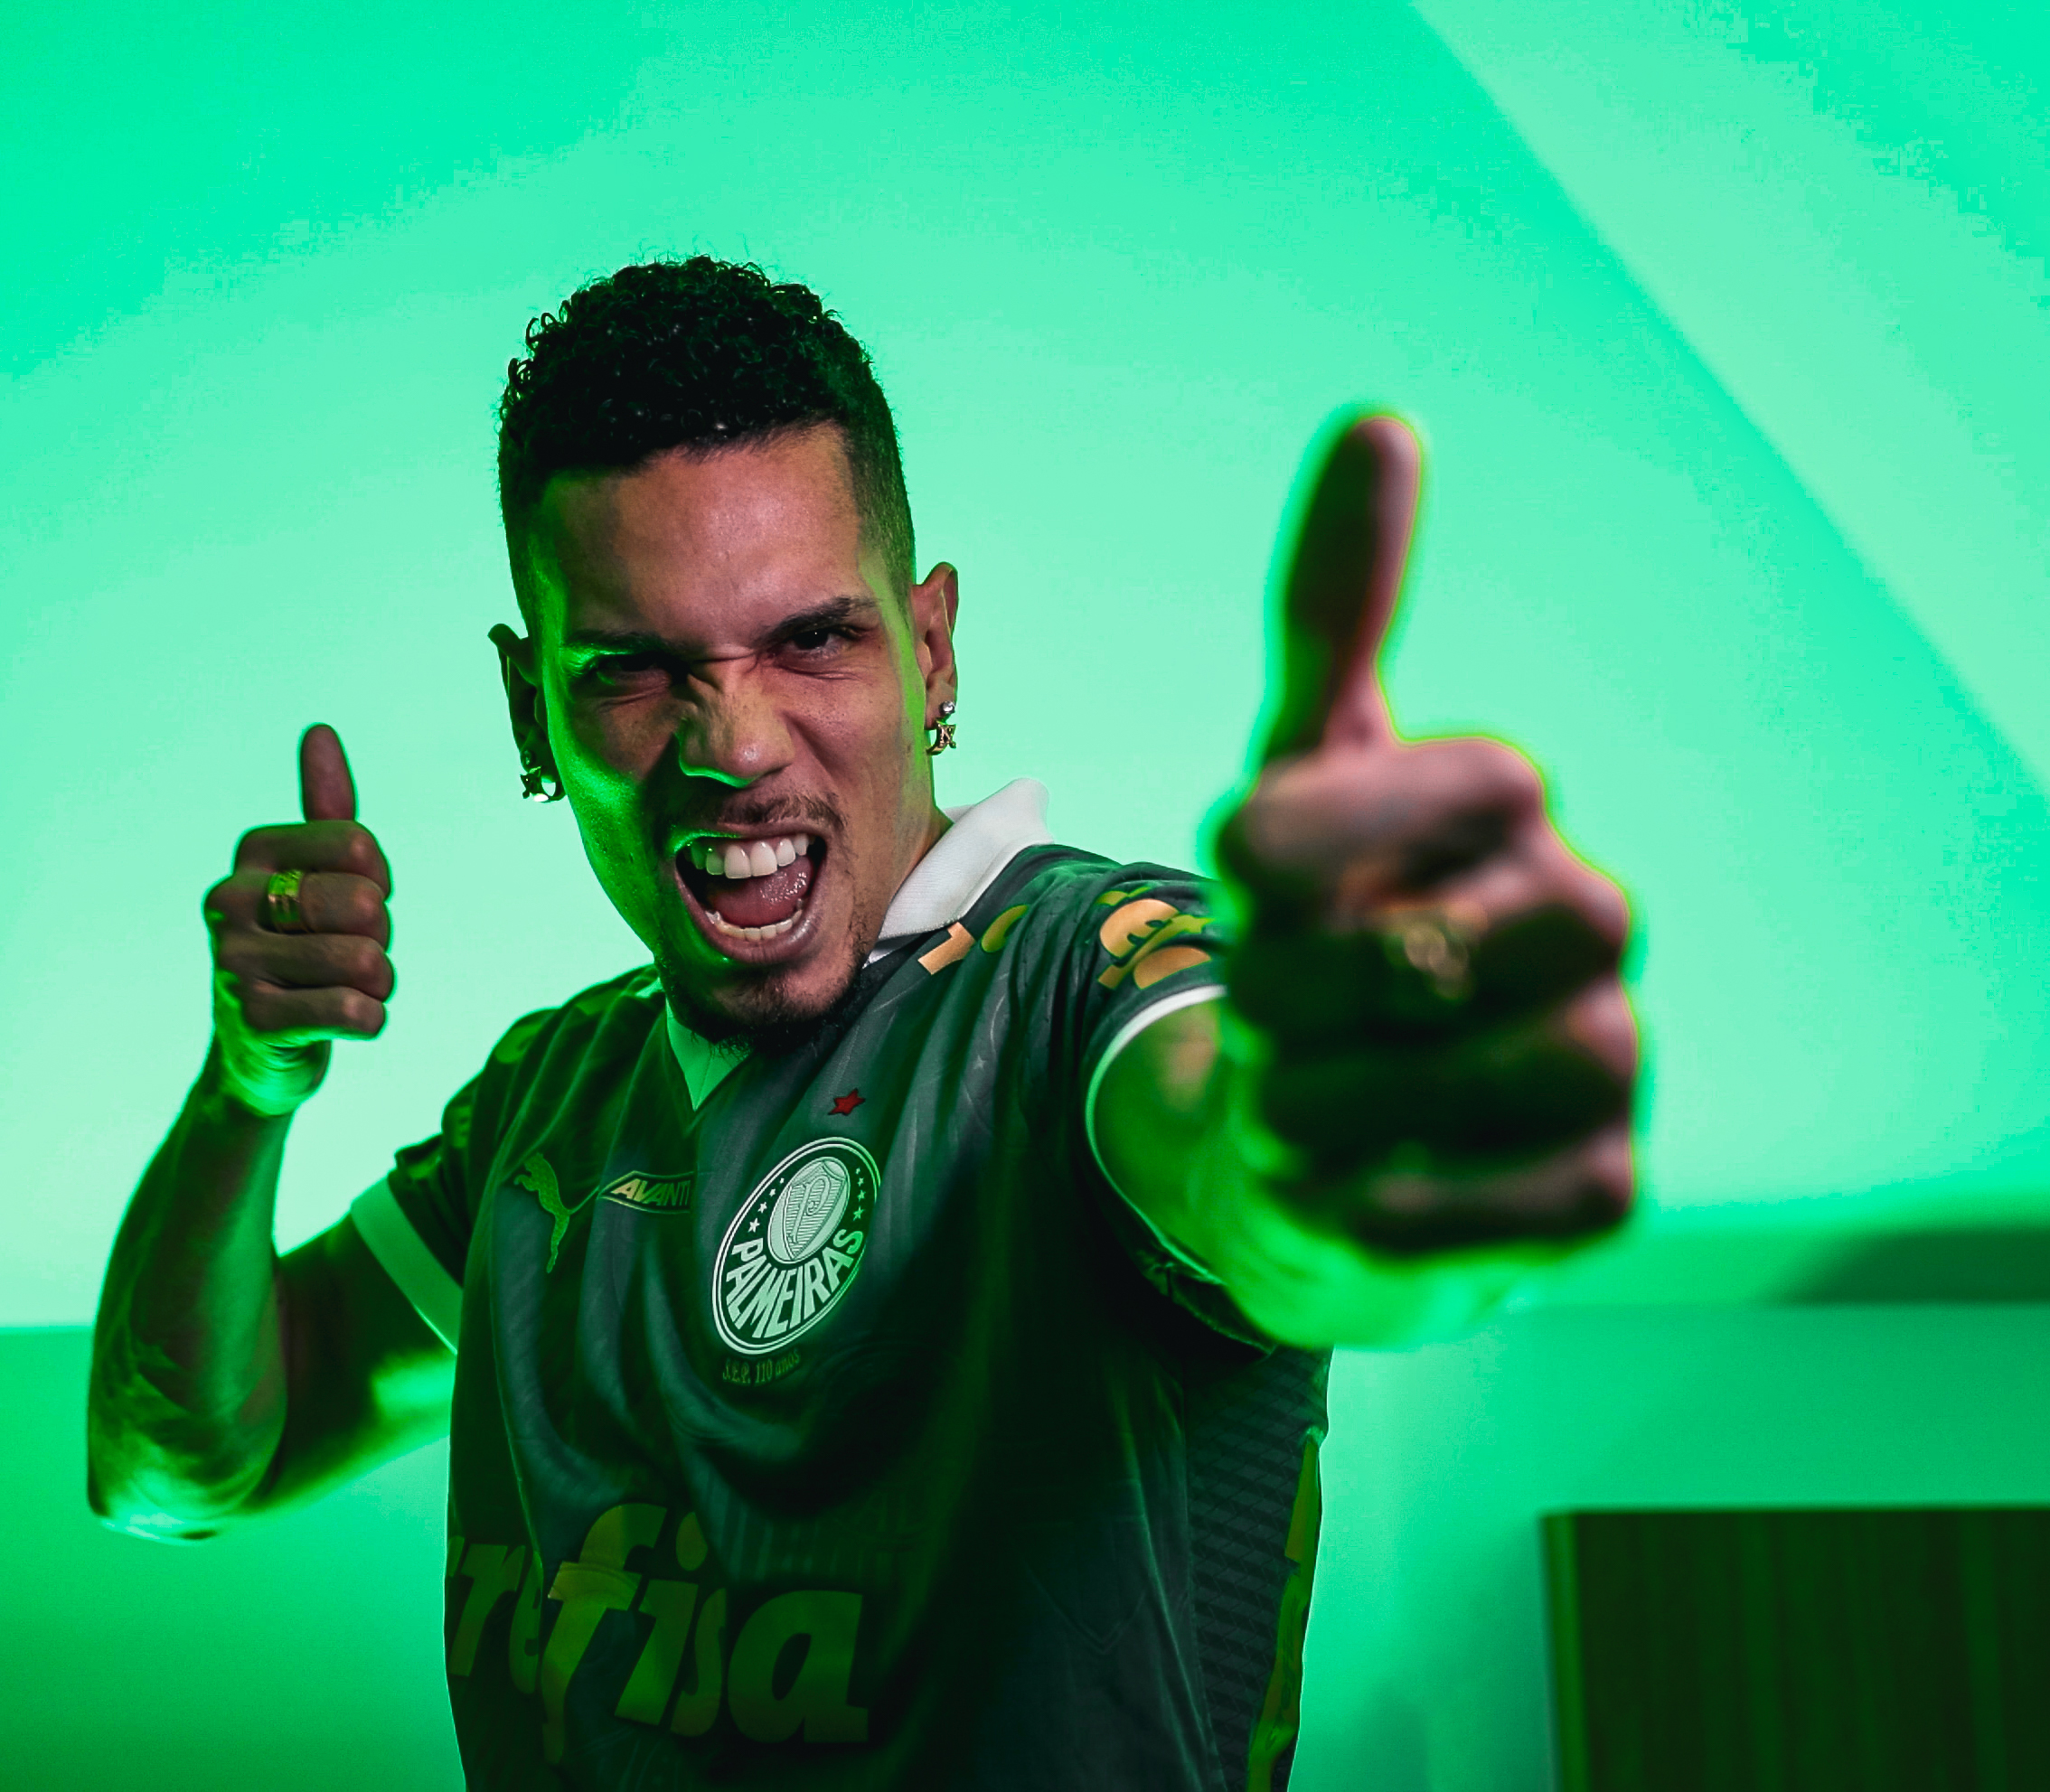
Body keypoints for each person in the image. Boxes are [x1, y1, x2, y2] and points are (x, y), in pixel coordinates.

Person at [86, 257, 1635, 1789]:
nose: (734, 744)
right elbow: (181, 1466)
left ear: (929, 648)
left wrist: (1393, 1142)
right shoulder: (547, 1104)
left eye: (809, 640)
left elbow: (1262, 1190)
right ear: (528, 705)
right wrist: (246, 1088)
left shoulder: (1086, 983)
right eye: (632, 670)